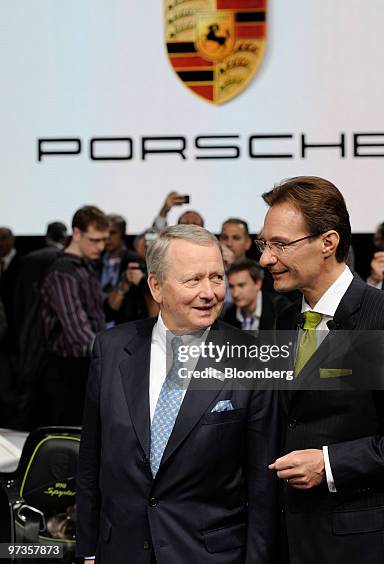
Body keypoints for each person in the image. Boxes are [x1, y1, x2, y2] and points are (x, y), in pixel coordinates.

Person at [77, 225, 278, 563]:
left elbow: (263, 485)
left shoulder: (252, 357)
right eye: (192, 280)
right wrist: (87, 551)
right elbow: (91, 462)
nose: (209, 292)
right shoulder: (111, 349)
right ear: (156, 286)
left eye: (216, 277)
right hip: (121, 551)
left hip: (210, 555)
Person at [256, 176, 384, 564]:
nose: (265, 259)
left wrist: (330, 464)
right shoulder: (283, 315)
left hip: (365, 546)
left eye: (280, 244)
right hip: (293, 540)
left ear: (328, 243)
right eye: (264, 244)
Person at [40, 205, 109, 425]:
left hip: (88, 364)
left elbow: (97, 313)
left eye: (104, 240)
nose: (101, 247)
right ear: (77, 234)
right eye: (95, 240)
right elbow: (77, 330)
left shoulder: (85, 267)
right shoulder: (63, 273)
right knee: (71, 438)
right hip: (68, 369)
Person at [223, 258, 289, 331]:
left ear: (258, 283)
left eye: (241, 285)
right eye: (231, 286)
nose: (235, 293)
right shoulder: (228, 315)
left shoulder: (279, 308)